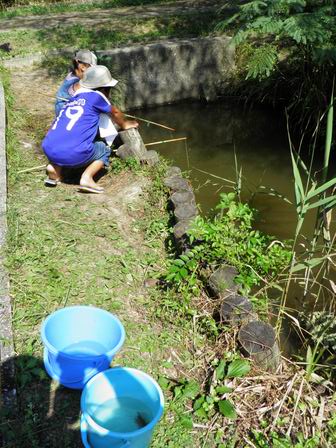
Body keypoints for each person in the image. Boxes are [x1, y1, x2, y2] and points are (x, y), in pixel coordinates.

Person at [42, 65, 138, 194]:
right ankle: (87, 178)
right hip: (74, 154)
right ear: (104, 88)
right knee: (104, 149)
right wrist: (124, 124)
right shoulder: (97, 96)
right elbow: (114, 112)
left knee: (64, 141)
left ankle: (55, 169)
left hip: (49, 147)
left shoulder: (73, 99)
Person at [55, 49, 97, 116]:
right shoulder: (76, 83)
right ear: (82, 67)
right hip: (66, 116)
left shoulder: (71, 75)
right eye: (91, 68)